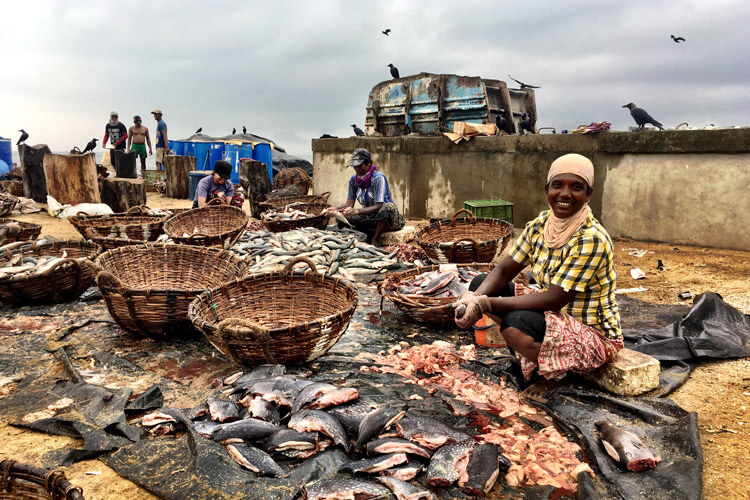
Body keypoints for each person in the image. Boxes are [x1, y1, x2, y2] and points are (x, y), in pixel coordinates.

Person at [454, 153, 622, 381]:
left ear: (588, 194)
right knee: (479, 284)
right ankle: (537, 353)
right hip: (555, 317)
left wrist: (484, 304)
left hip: (592, 334)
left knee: (516, 325)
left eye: (576, 187)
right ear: (547, 190)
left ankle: (556, 377)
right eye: (557, 185)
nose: (565, 194)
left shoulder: (591, 238)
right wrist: (473, 299)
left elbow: (554, 299)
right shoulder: (540, 226)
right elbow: (504, 270)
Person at [327, 148, 404, 245]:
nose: (357, 169)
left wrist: (357, 211)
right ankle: (366, 233)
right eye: (355, 166)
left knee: (386, 207)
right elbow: (349, 203)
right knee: (341, 217)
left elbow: (379, 206)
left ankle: (375, 238)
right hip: (371, 217)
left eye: (360, 166)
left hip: (389, 219)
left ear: (369, 163)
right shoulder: (353, 180)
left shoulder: (378, 178)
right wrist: (335, 209)